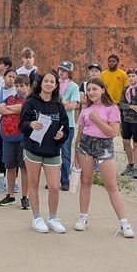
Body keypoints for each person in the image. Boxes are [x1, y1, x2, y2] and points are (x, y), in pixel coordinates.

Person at [73, 78, 136, 238]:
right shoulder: (86, 110)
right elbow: (79, 133)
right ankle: (83, 217)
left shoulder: (111, 108)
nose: (91, 92)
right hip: (85, 146)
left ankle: (124, 222)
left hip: (104, 146)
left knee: (111, 186)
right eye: (89, 90)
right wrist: (75, 153)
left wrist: (96, 119)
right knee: (86, 182)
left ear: (102, 90)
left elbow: (112, 132)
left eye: (94, 89)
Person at [20, 71, 69, 233]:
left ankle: (53, 218)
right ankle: (36, 218)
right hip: (33, 148)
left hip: (52, 150)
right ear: (41, 83)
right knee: (33, 183)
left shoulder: (59, 106)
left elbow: (65, 128)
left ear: (56, 85)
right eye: (46, 81)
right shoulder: (31, 103)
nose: (49, 84)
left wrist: (62, 135)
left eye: (52, 82)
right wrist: (30, 125)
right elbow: (21, 125)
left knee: (54, 186)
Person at [0, 73, 30, 208]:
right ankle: (10, 195)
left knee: (24, 168)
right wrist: (14, 110)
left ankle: (25, 196)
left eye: (22, 86)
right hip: (9, 136)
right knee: (10, 167)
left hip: (23, 137)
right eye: (16, 86)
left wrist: (9, 110)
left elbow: (23, 109)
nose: (19, 88)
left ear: (28, 86)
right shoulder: (10, 98)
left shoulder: (30, 101)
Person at [57, 60, 81, 191]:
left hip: (68, 124)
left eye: (64, 70)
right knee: (53, 153)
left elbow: (73, 105)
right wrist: (64, 103)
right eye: (60, 69)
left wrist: (60, 105)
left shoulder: (73, 87)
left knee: (65, 152)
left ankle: (65, 180)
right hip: (54, 122)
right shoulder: (54, 85)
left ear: (70, 73)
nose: (61, 72)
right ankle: (53, 179)